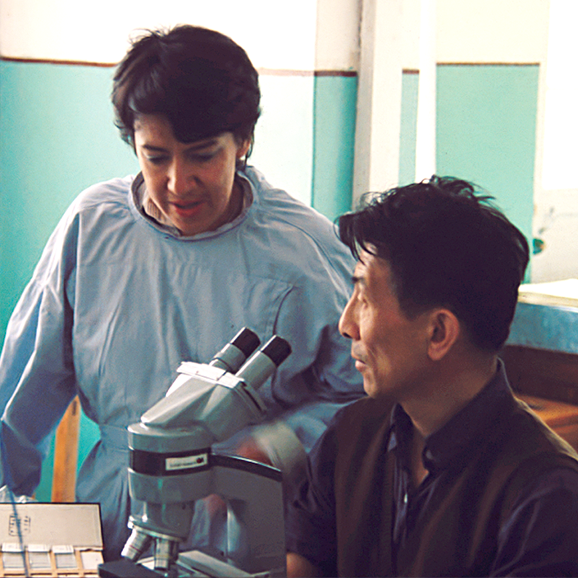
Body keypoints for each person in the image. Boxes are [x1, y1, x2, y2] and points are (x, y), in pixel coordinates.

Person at [0, 25, 363, 560]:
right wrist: (12, 520)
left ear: (243, 142)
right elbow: (20, 391)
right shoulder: (92, 227)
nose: (176, 183)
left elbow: (362, 399)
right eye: (156, 156)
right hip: (112, 514)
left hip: (244, 516)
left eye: (202, 156)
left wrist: (278, 444)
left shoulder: (304, 251)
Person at [285, 176, 578, 577]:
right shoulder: (349, 436)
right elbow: (303, 561)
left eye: (365, 299)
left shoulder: (545, 497)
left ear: (438, 333)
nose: (346, 324)